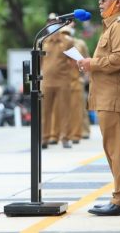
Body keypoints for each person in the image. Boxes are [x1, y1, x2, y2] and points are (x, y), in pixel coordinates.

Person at [78, 0, 120, 216]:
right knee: (115, 149)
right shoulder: (114, 25)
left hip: (116, 97)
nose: (100, 2)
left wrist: (91, 63)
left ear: (118, 1)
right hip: (109, 96)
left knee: (119, 149)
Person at [41, 18, 74, 149]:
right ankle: (44, 137)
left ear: (60, 25)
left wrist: (69, 75)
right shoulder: (42, 41)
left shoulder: (68, 41)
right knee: (44, 111)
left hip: (63, 80)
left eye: (55, 23)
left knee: (64, 110)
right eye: (49, 23)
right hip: (47, 81)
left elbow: (74, 61)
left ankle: (65, 137)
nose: (52, 25)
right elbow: (38, 62)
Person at [61, 24, 90, 144]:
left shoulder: (79, 44)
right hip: (63, 81)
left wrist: (87, 76)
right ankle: (64, 134)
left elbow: (86, 58)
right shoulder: (58, 44)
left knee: (79, 109)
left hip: (77, 79)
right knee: (64, 110)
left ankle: (81, 133)